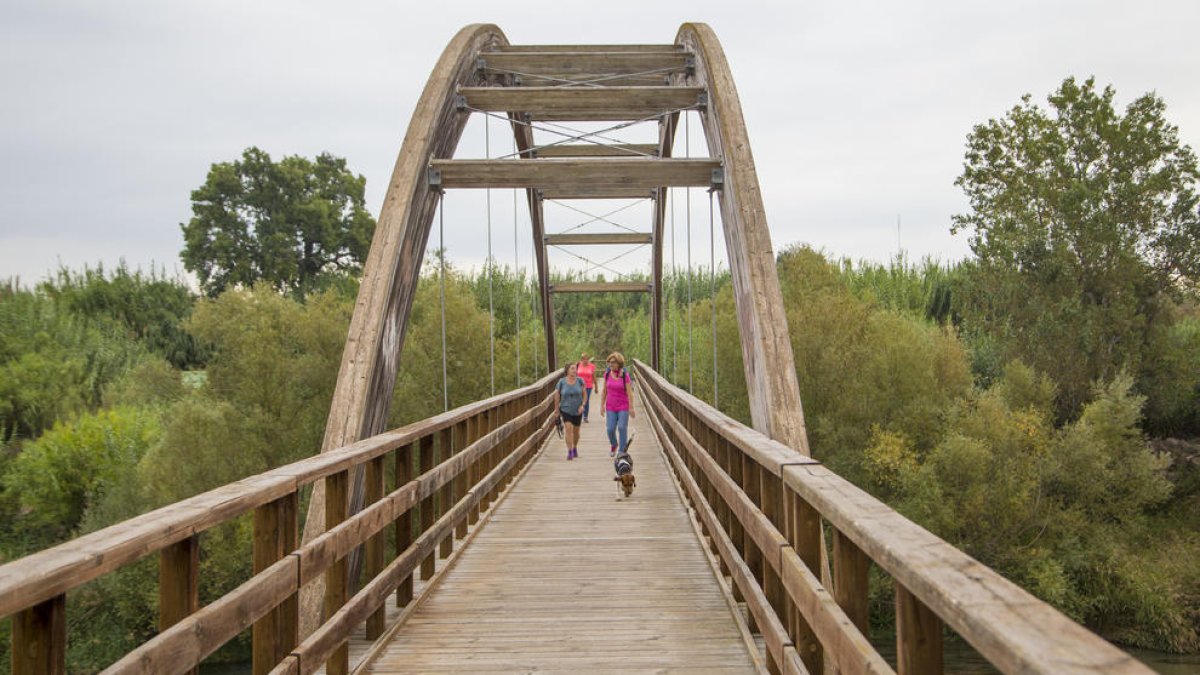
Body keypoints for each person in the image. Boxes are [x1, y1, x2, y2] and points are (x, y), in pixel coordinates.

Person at [599, 352, 635, 458]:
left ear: (619, 363)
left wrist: (631, 407)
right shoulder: (607, 374)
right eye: (609, 362)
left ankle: (622, 451)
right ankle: (614, 444)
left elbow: (630, 393)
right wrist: (601, 406)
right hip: (610, 406)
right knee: (610, 429)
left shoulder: (625, 376)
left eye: (613, 362)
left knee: (622, 427)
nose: (610, 364)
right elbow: (604, 391)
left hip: (623, 406)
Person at [553, 362, 586, 460]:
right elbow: (557, 396)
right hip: (565, 409)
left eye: (575, 368)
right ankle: (570, 451)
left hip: (577, 409)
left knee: (576, 432)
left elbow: (584, 395)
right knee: (568, 428)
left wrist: (583, 405)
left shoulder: (580, 381)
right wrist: (556, 410)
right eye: (572, 368)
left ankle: (575, 447)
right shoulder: (561, 382)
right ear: (567, 370)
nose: (574, 370)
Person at [576, 352, 596, 423]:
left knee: (586, 401)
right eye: (583, 359)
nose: (585, 360)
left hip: (588, 386)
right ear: (581, 359)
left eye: (586, 359)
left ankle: (585, 416)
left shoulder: (591, 366)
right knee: (579, 400)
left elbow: (593, 376)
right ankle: (578, 415)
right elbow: (574, 374)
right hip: (578, 385)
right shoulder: (578, 365)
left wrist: (596, 386)